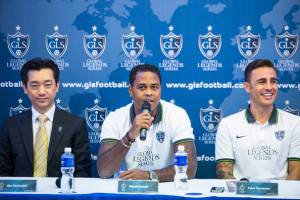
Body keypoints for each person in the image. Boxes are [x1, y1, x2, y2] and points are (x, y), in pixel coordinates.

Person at [97, 64, 197, 182]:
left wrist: (150, 176)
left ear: (160, 89)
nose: (149, 93)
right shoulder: (115, 118)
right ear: (131, 90)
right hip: (127, 189)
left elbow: (189, 168)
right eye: (142, 87)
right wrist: (129, 136)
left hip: (165, 189)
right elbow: (104, 171)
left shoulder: (177, 115)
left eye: (154, 87)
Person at [0, 58, 91, 177]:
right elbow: (3, 171)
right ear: (25, 88)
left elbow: (82, 172)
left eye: (47, 85)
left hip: (59, 194)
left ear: (57, 86)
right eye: (34, 85)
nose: (41, 92)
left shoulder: (75, 125)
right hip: (21, 195)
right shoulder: (11, 125)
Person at [215, 59, 300, 180]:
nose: (269, 87)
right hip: (241, 196)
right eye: (262, 82)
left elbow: (297, 170)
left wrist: (281, 197)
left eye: (273, 81)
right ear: (247, 87)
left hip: (281, 197)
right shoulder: (228, 124)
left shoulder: (295, 123)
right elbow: (224, 172)